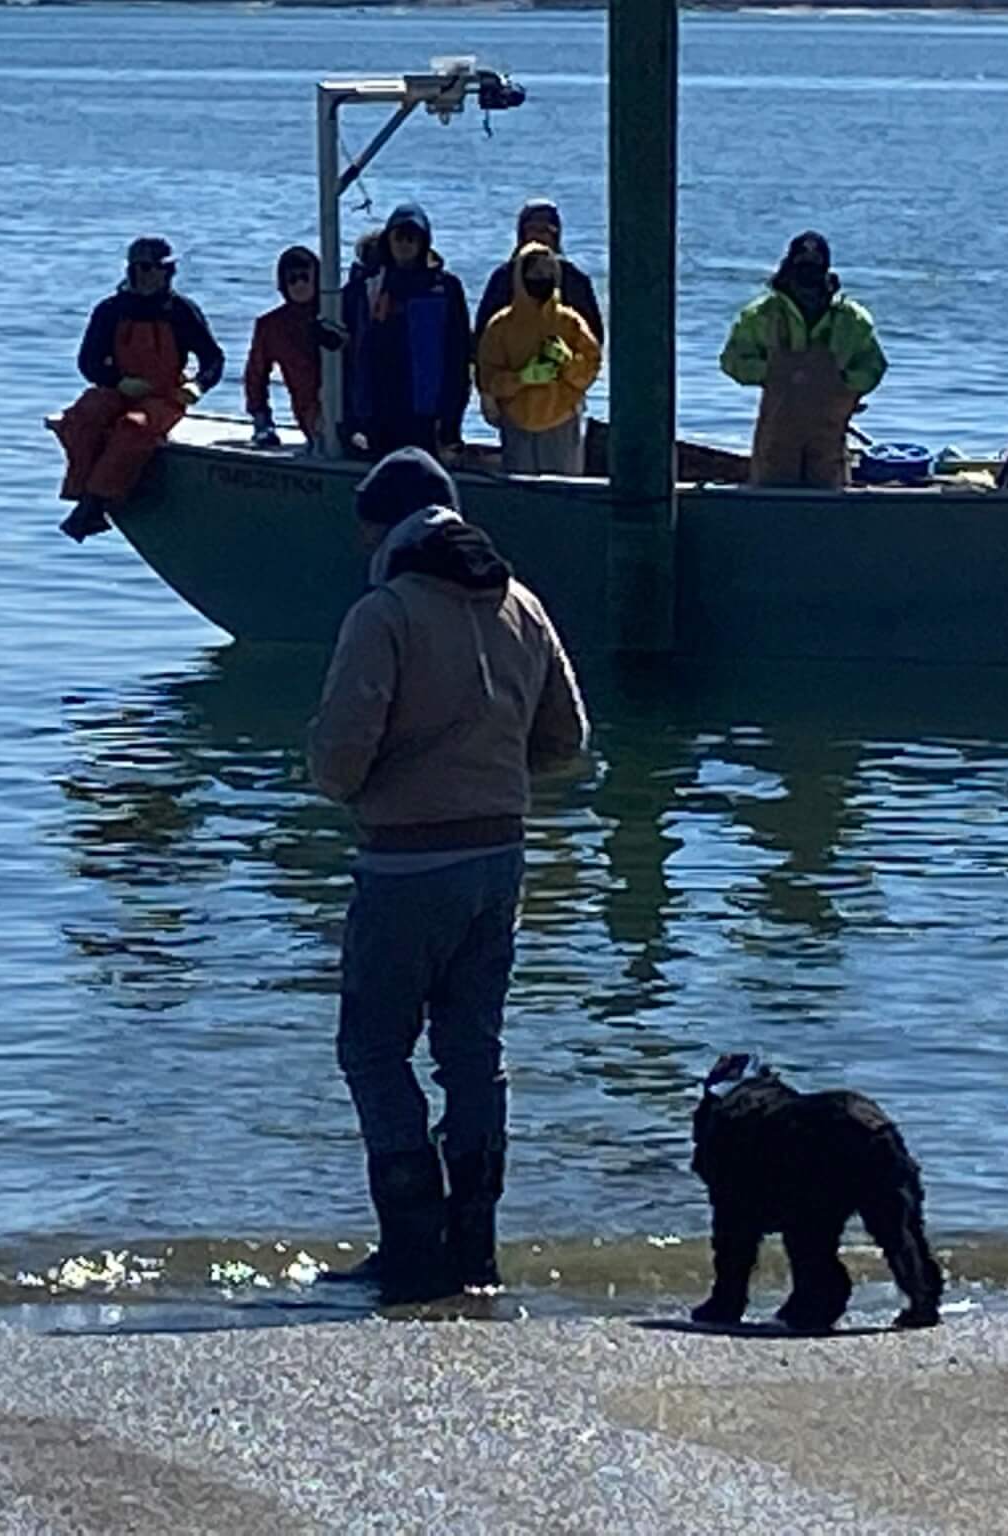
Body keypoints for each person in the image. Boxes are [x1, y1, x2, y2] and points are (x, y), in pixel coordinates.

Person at [306, 447, 588, 1304]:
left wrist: (337, 775)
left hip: (405, 864)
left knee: (373, 1049)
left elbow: (340, 762)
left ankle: (409, 1244)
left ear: (386, 531)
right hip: (500, 857)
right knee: (474, 1056)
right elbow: (568, 741)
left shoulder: (384, 614)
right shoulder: (523, 605)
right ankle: (475, 1247)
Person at [54, 236, 223, 541]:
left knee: (133, 428)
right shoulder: (110, 310)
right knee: (81, 418)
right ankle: (81, 494)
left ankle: (95, 505)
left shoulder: (182, 311)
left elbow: (213, 359)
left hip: (164, 396)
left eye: (149, 268)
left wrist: (198, 386)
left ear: (166, 272)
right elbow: (88, 361)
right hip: (118, 389)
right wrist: (117, 381)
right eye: (135, 268)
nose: (141, 275)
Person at [719, 231, 887, 489]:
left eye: (815, 266)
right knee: (772, 500)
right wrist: (771, 373)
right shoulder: (763, 315)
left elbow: (873, 366)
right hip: (777, 435)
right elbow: (733, 360)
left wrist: (845, 384)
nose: (808, 275)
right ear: (789, 267)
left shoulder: (851, 319)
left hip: (829, 434)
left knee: (829, 504)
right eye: (802, 266)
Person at [339, 204, 472, 462]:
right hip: (376, 406)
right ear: (387, 239)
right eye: (399, 236)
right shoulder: (367, 285)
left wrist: (451, 420)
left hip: (425, 409)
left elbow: (458, 356)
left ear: (424, 242)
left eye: (413, 237)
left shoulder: (444, 288)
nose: (405, 244)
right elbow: (346, 348)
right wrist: (349, 415)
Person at [475, 244, 603, 475]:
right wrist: (521, 378)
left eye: (547, 273)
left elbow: (590, 369)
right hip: (517, 423)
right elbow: (489, 379)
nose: (540, 278)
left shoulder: (570, 322)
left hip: (562, 421)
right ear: (520, 277)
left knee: (566, 493)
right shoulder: (500, 326)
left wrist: (568, 362)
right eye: (534, 273)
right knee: (522, 496)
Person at [243, 245, 342, 449]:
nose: (300, 285)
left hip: (346, 408)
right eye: (292, 279)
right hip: (308, 412)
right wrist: (262, 420)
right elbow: (255, 377)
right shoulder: (271, 326)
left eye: (305, 277)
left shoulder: (338, 313)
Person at [473, 199, 605, 349]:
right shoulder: (503, 278)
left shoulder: (575, 280)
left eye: (545, 230)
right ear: (522, 234)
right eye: (532, 229)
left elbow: (593, 338)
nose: (538, 237)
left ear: (556, 236)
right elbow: (483, 336)